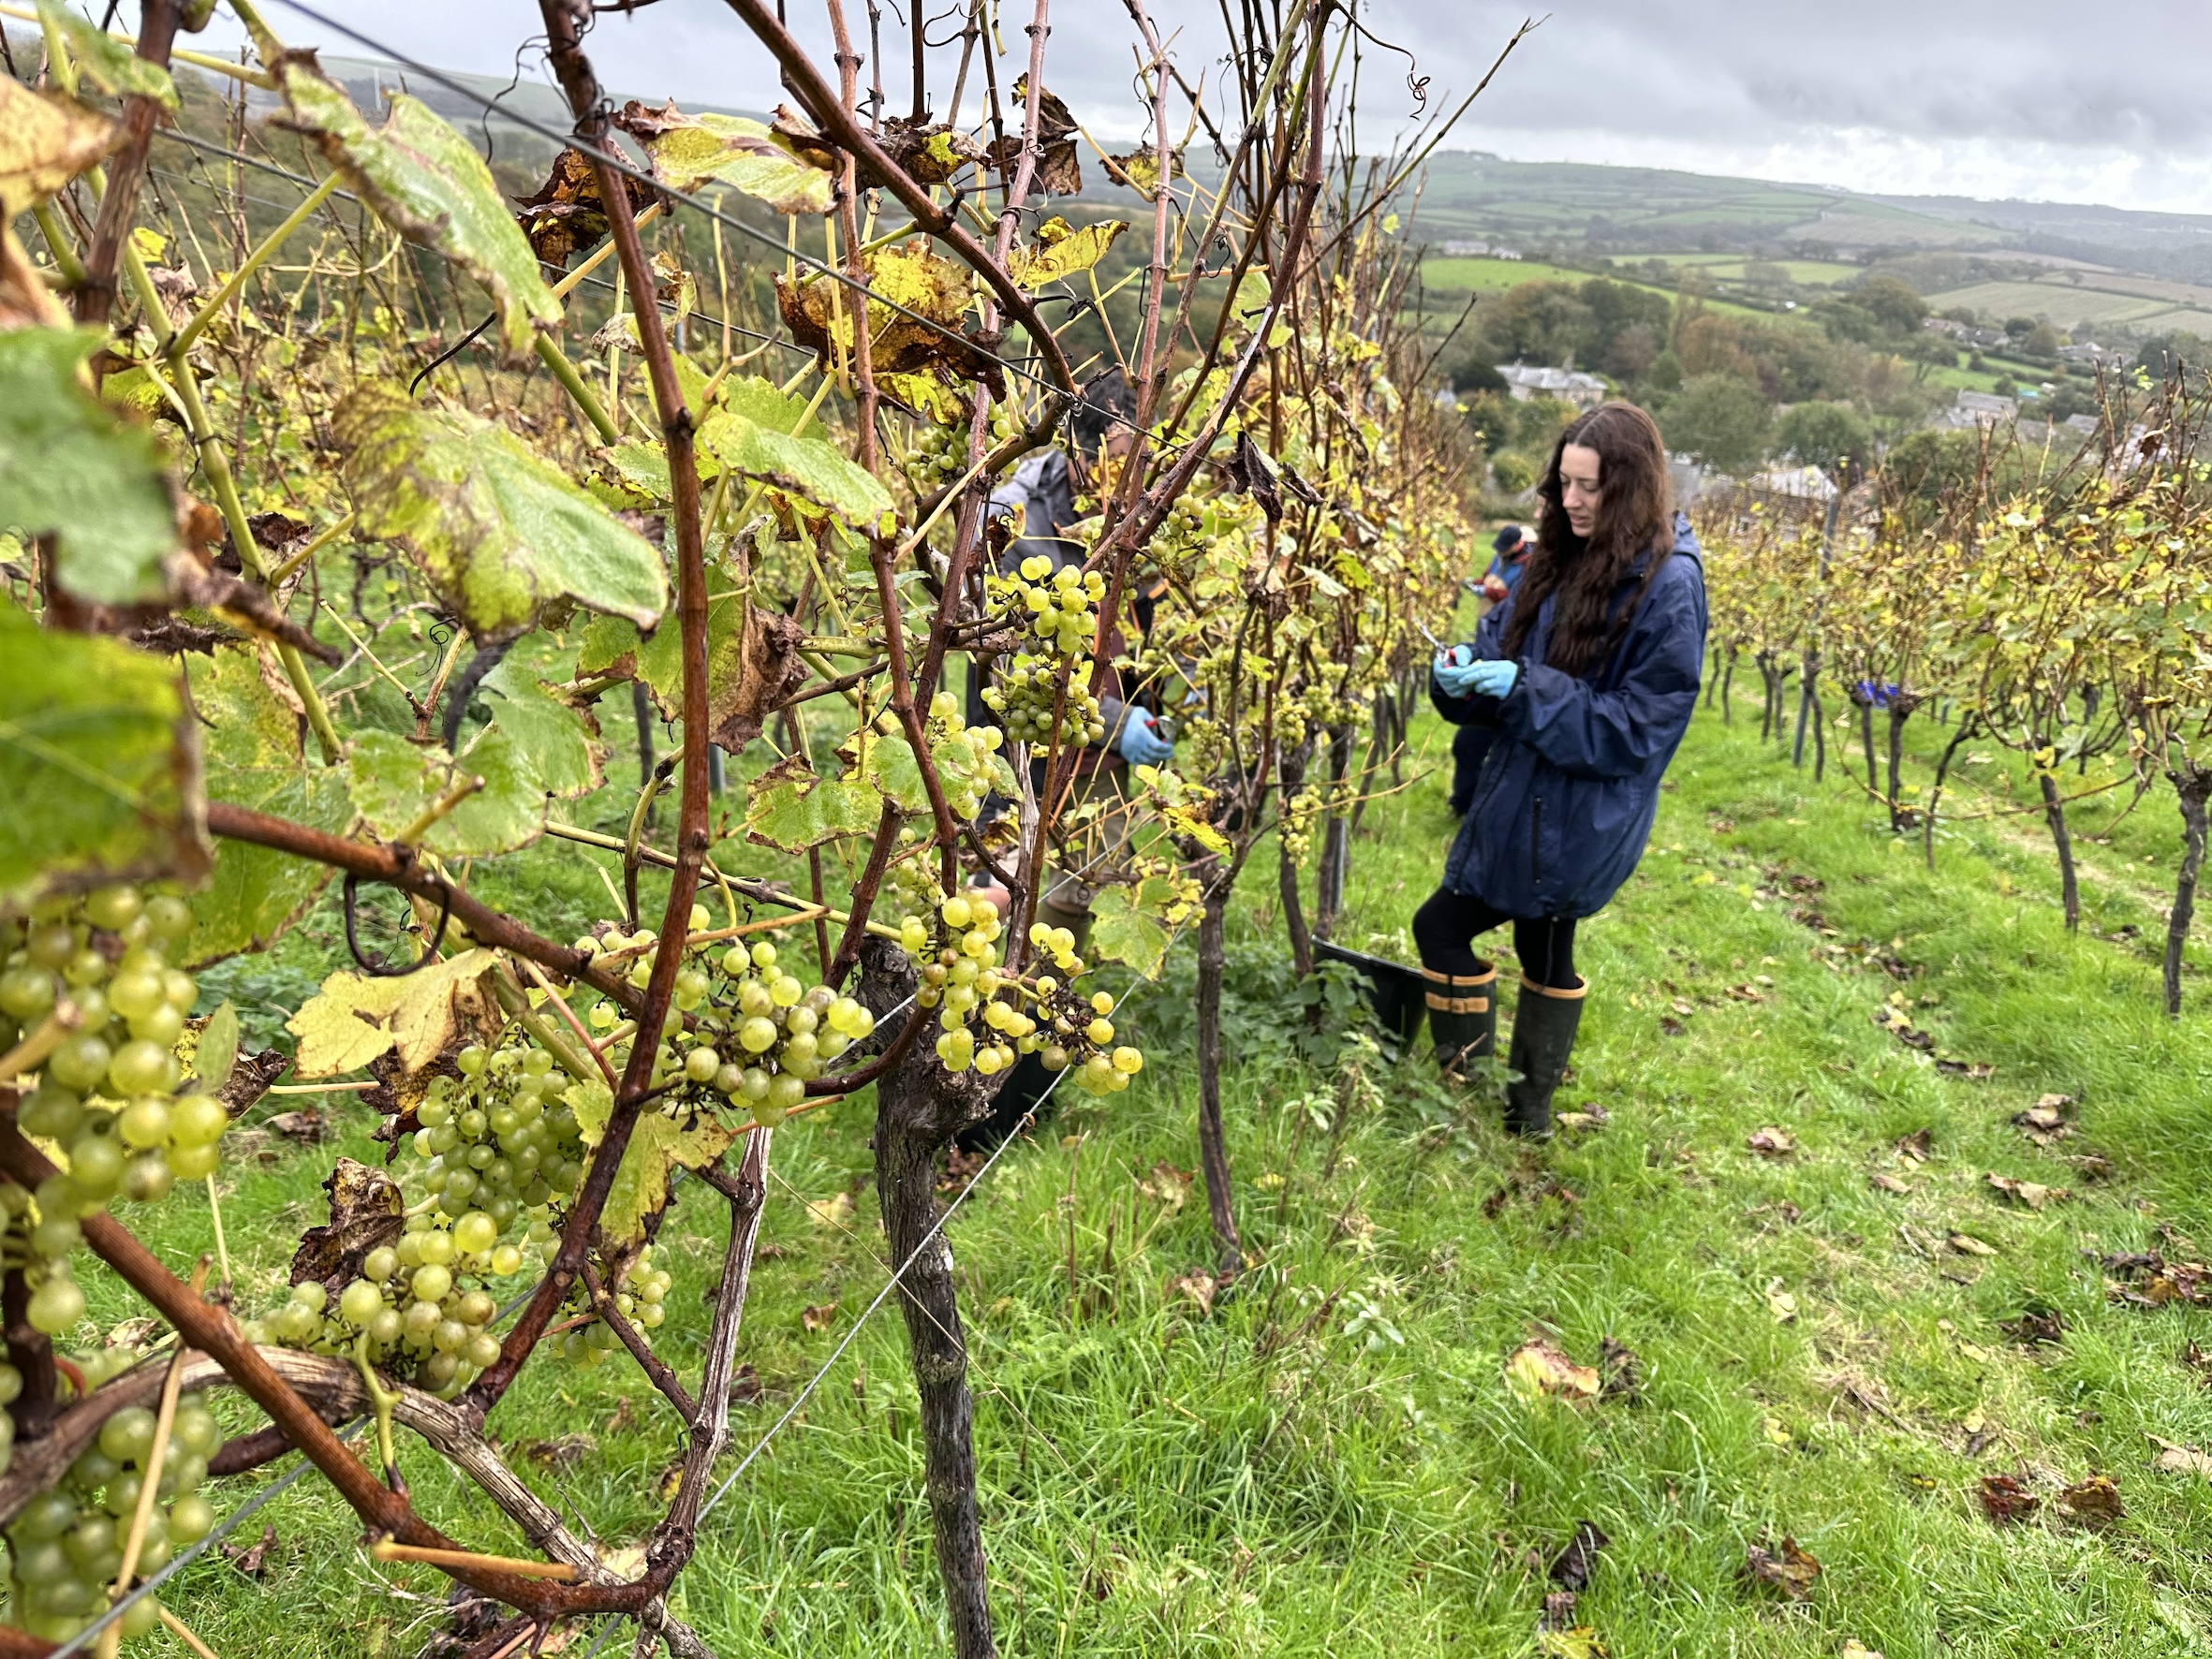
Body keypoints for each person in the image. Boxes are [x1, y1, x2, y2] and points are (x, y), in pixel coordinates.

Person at [1418, 402, 1707, 1137]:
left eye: (1590, 488)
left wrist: (1521, 689)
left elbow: (1639, 729)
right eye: (1565, 484)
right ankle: (1524, 1115)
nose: (1571, 501)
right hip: (1524, 797)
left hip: (1578, 815)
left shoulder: (1668, 587)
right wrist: (1460, 675)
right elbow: (1498, 647)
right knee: (1541, 944)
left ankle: (1470, 1101)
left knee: (1445, 928)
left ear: (1633, 489)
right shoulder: (1556, 555)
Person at [1447, 524, 1534, 815]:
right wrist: (1478, 583)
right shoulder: (1501, 558)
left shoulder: (1530, 566)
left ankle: (1478, 808)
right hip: (1492, 644)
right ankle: (1464, 804)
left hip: (1512, 662)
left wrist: (1488, 591)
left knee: (1494, 751)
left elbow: (1511, 599)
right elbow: (1489, 579)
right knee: (1467, 745)